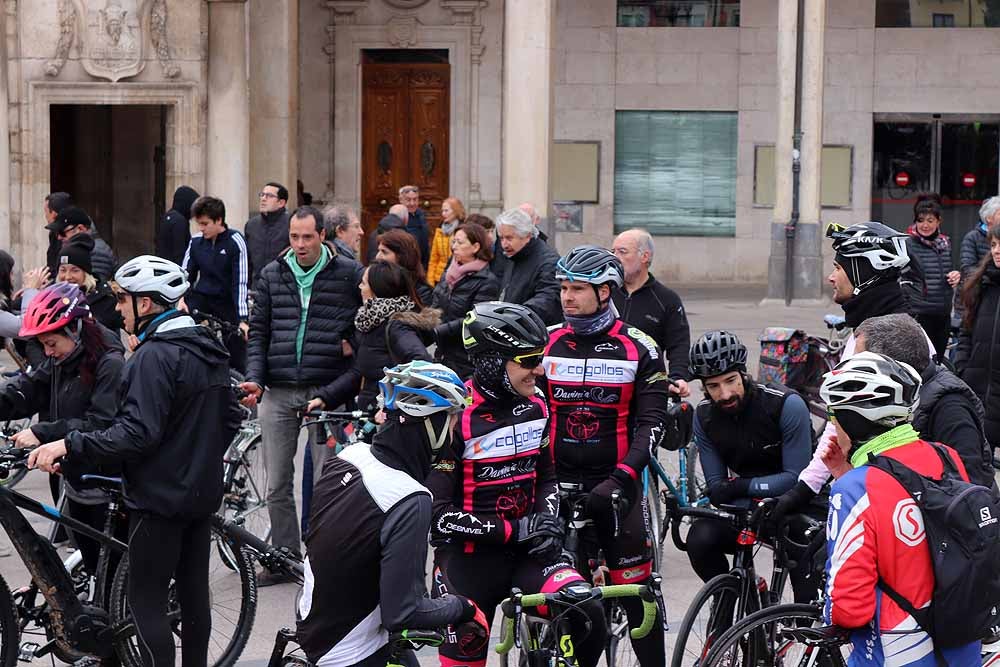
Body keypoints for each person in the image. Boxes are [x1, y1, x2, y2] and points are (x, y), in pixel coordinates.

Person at [28, 255, 242, 667]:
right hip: (200, 495)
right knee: (196, 597)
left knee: (146, 603)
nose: (119, 309)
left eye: (123, 300)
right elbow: (230, 417)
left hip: (158, 499)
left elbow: (134, 434)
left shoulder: (153, 356)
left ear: (146, 304)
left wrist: (70, 445)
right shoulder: (209, 347)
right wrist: (196, 457)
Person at [428, 301, 607, 667]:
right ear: (493, 362)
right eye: (528, 360)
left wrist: (546, 519)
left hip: (528, 554)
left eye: (539, 358)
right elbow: (439, 517)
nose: (539, 370)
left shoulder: (537, 404)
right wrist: (514, 529)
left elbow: (548, 478)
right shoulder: (454, 416)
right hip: (467, 562)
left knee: (588, 610)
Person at [295, 361, 488, 667]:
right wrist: (462, 607)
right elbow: (404, 613)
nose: (452, 437)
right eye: (450, 423)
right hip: (354, 651)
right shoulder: (409, 498)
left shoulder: (348, 456)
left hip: (313, 625)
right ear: (431, 424)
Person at [544, 245, 668, 667]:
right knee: (567, 607)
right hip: (558, 488)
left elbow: (651, 424)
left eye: (577, 288)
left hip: (617, 491)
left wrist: (620, 479)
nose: (567, 297)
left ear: (605, 291)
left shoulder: (640, 347)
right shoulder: (546, 343)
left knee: (639, 601)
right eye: (563, 288)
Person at [820, 352, 981, 667]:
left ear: (853, 421)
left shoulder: (854, 490)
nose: (833, 429)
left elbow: (850, 607)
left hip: (896, 651)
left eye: (834, 418)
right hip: (962, 641)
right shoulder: (946, 457)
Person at [771, 221, 934, 523]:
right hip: (874, 481)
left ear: (863, 274)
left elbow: (840, 422)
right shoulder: (868, 329)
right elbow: (840, 420)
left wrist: (805, 488)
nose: (830, 277)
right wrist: (807, 485)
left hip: (889, 492)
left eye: (838, 268)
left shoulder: (884, 338)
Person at [240, 206, 363, 580]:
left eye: (307, 237)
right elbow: (259, 332)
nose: (300, 245)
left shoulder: (348, 275)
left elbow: (367, 324)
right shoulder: (273, 274)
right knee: (277, 481)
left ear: (323, 236)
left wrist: (351, 344)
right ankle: (283, 556)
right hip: (277, 389)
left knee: (329, 481)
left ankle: (325, 559)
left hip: (326, 389)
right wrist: (255, 379)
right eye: (294, 237)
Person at [3, 283, 125, 574]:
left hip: (105, 484)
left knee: (110, 575)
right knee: (91, 566)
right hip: (73, 478)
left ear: (74, 331)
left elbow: (100, 423)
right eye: (43, 345)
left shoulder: (110, 363)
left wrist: (43, 432)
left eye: (51, 344)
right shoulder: (63, 357)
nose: (48, 352)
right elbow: (30, 389)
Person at [686, 330, 814, 600]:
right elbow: (718, 490)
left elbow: (795, 478)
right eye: (713, 386)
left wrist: (740, 486)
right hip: (750, 505)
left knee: (803, 554)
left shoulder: (785, 405)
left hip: (801, 502)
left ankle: (805, 625)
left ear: (743, 373)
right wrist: (735, 491)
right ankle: (728, 602)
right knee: (700, 537)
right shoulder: (705, 416)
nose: (725, 394)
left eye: (731, 381)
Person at [855, 313, 994, 489]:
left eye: (859, 363)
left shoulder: (950, 405)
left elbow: (968, 485)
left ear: (889, 365)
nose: (852, 370)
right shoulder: (897, 395)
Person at [305, 261, 438, 416]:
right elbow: (360, 371)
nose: (360, 288)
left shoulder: (396, 325)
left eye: (363, 283)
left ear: (376, 290)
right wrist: (325, 397)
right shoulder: (373, 322)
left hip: (389, 423)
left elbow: (421, 363)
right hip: (370, 416)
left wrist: (392, 407)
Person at [611, 228, 692, 397]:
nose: (615, 257)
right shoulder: (605, 293)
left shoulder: (666, 299)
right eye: (613, 251)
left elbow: (679, 345)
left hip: (646, 386)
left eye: (622, 251)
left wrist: (678, 377)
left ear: (645, 257)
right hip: (606, 381)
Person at [181, 195, 250, 373]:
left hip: (227, 300)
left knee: (235, 342)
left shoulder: (236, 241)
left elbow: (240, 281)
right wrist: (181, 298)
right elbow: (186, 273)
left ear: (219, 220)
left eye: (205, 224)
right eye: (199, 224)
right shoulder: (196, 241)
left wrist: (243, 319)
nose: (201, 229)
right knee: (183, 325)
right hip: (203, 297)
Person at [431, 222, 499, 379]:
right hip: (442, 353)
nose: (454, 246)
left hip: (465, 359)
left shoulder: (487, 280)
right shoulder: (448, 274)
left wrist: (441, 331)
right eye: (453, 241)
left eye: (459, 242)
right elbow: (435, 304)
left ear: (475, 247)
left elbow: (476, 319)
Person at [956, 224, 1000, 453]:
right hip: (978, 390)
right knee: (979, 467)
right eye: (993, 244)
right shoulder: (982, 284)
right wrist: (963, 367)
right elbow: (966, 332)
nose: (997, 250)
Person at [905, 196, 959, 357]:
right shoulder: (907, 244)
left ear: (938, 221)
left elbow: (951, 270)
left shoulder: (946, 244)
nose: (925, 225)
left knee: (938, 361)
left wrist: (956, 275)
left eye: (930, 220)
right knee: (919, 361)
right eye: (920, 220)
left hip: (942, 313)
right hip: (918, 313)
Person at [496, 208, 561, 326]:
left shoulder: (548, 261)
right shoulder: (514, 255)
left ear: (527, 236)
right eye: (501, 238)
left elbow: (548, 300)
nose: (504, 244)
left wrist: (513, 316)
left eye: (509, 238)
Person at [56, 234, 124, 334]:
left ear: (86, 273)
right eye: (63, 270)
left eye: (75, 270)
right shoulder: (53, 298)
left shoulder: (106, 300)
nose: (67, 277)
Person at [45, 206, 116, 282]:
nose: (59, 237)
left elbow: (95, 287)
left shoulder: (96, 251)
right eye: (56, 233)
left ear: (81, 228)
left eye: (62, 232)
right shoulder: (86, 248)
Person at [246, 182, 291, 287]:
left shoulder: (291, 224)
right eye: (262, 195)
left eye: (269, 196)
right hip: (257, 287)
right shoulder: (252, 225)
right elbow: (248, 262)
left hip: (284, 288)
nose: (263, 199)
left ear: (281, 203)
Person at [375, 228, 434, 306]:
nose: (377, 257)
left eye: (384, 252)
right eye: (378, 251)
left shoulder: (422, 293)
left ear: (402, 257)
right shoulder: (378, 283)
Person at [156, 185, 199, 266]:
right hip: (173, 270)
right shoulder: (180, 221)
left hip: (163, 266)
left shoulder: (168, 216)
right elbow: (180, 252)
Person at [427, 197, 464, 286]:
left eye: (446, 211)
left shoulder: (464, 230)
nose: (443, 214)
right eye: (442, 211)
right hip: (439, 278)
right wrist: (430, 281)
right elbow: (434, 259)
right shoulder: (439, 231)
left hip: (458, 277)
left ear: (456, 211)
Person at [43, 192, 74, 278]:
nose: (45, 216)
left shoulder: (86, 240)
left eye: (45, 212)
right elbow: (53, 265)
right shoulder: (54, 234)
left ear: (53, 214)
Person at [399, 185, 430, 268]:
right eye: (408, 200)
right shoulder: (398, 217)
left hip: (422, 263)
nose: (412, 203)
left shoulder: (421, 215)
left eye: (415, 199)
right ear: (401, 200)